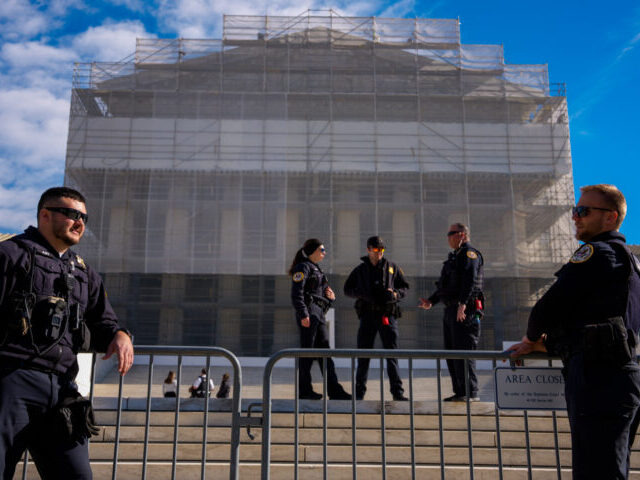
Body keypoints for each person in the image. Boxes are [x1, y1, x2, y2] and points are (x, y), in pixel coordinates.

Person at [0, 186, 134, 479]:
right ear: (45, 215)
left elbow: (104, 323)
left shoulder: (84, 273)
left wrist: (121, 335)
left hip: (61, 390)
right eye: (71, 214)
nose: (80, 223)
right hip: (10, 381)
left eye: (84, 217)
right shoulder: (9, 253)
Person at [508, 184, 640, 480]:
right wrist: (546, 346)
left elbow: (548, 307)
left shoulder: (597, 253)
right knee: (607, 469)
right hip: (616, 377)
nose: (575, 217)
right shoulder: (627, 261)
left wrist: (530, 339)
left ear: (610, 217)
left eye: (583, 211)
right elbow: (595, 326)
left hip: (599, 380)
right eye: (574, 210)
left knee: (597, 473)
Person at [418, 223, 484, 402]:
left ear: (461, 235)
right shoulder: (454, 258)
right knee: (452, 352)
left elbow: (470, 281)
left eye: (451, 233)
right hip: (451, 310)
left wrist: (463, 303)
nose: (448, 237)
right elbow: (444, 285)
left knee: (464, 351)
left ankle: (471, 392)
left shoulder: (470, 255)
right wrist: (431, 301)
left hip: (465, 310)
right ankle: (460, 392)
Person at [344, 236, 409, 401]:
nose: (379, 252)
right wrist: (362, 294)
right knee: (363, 355)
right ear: (368, 249)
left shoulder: (392, 267)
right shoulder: (360, 270)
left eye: (381, 250)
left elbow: (404, 287)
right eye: (375, 249)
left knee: (391, 354)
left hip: (387, 315)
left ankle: (397, 392)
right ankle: (359, 394)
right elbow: (347, 289)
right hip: (368, 316)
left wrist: (395, 294)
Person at [289, 238, 351, 400]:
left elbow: (322, 296)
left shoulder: (316, 269)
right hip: (310, 313)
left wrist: (331, 298)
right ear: (313, 252)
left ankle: (334, 390)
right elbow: (297, 293)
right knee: (307, 354)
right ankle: (304, 390)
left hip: (318, 313)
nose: (324, 253)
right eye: (322, 250)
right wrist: (303, 314)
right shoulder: (303, 267)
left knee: (325, 353)